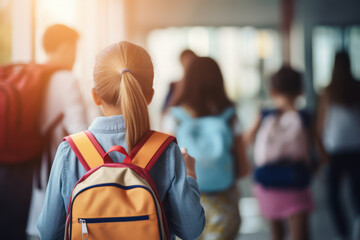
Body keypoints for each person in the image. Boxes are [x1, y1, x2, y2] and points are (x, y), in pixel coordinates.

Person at [37, 41, 205, 240]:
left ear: (95, 96)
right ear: (150, 96)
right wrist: (190, 174)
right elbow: (191, 229)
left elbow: (48, 232)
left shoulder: (70, 151)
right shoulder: (165, 150)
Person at [162, 57, 249, 239]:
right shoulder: (230, 116)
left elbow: (166, 168)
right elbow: (243, 169)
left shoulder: (174, 117)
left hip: (185, 207)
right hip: (224, 206)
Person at [244, 66, 327, 240]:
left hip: (267, 184)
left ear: (273, 90)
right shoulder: (305, 117)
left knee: (277, 235)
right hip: (296, 182)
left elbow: (247, 140)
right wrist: (312, 167)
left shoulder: (264, 114)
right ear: (301, 90)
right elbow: (322, 154)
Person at [26, 24, 88, 239]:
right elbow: (81, 135)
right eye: (74, 49)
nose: (75, 56)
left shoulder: (30, 77)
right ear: (64, 47)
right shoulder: (66, 80)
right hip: (54, 184)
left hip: (25, 182)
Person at [317, 50, 360, 240]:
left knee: (333, 195)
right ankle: (356, 228)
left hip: (335, 148)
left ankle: (343, 233)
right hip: (356, 146)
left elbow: (321, 122)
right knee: (356, 194)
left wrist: (320, 151)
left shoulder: (328, 90)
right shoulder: (357, 87)